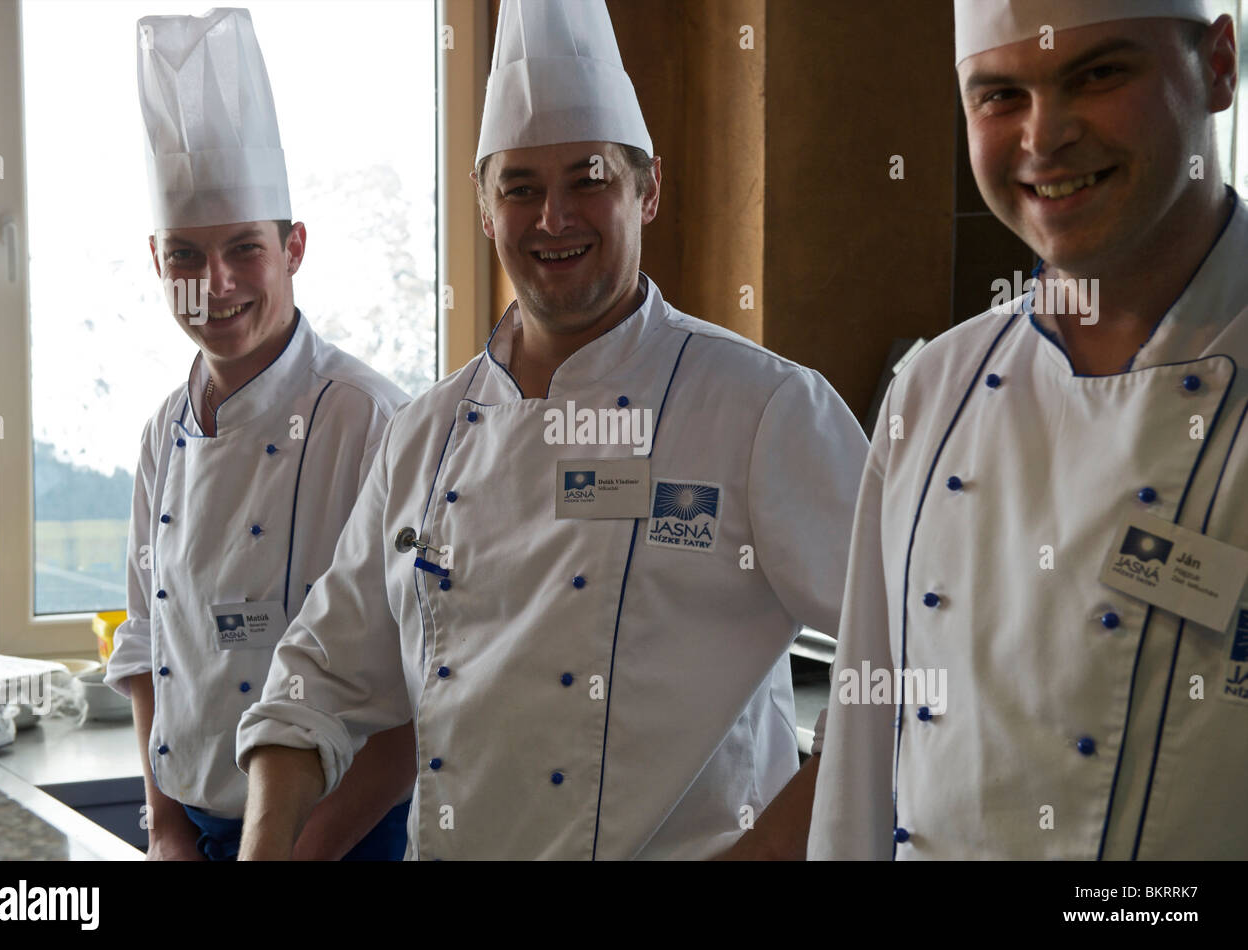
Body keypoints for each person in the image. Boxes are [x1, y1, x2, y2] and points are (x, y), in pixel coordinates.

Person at [234, 0, 867, 860]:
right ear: (485, 208)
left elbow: (903, 660)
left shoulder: (762, 409)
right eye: (521, 188)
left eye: (589, 179)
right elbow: (317, 679)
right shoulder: (423, 434)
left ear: (649, 191)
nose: (552, 219)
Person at [807, 0, 1248, 859]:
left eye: (1100, 74)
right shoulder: (932, 387)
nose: (1044, 139)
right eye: (999, 95)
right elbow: (863, 748)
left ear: (1220, 64)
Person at [105, 7, 414, 861]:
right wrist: (165, 826)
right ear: (156, 261)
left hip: (348, 839)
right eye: (186, 256)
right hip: (196, 832)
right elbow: (144, 642)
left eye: (245, 248)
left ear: (295, 247)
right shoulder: (160, 433)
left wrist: (298, 850)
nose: (217, 284)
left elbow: (422, 687)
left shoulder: (372, 421)